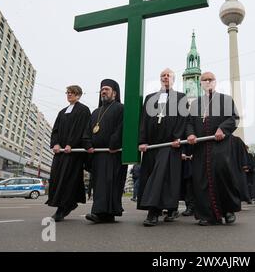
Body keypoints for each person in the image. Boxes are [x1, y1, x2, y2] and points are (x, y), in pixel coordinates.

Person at [186, 71, 241, 226]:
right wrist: (190, 134)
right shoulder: (196, 103)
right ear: (201, 83)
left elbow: (234, 118)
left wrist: (222, 129)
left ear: (215, 82)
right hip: (201, 147)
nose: (208, 81)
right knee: (201, 180)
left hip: (220, 146)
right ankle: (206, 214)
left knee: (222, 176)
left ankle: (228, 211)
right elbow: (189, 122)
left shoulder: (225, 99)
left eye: (210, 79)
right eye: (204, 80)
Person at [137, 69, 188, 227]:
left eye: (168, 75)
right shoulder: (150, 98)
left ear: (173, 79)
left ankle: (153, 212)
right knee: (155, 176)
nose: (165, 77)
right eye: (163, 76)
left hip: (170, 144)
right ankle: (171, 208)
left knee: (162, 176)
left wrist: (177, 137)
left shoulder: (181, 97)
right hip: (152, 145)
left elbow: (183, 119)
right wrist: (142, 141)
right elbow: (144, 121)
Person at [84, 79, 127, 223]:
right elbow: (88, 131)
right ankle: (102, 212)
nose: (103, 91)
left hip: (113, 153)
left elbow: (122, 128)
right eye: (102, 89)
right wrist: (88, 144)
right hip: (97, 154)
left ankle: (105, 212)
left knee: (111, 183)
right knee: (99, 184)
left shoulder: (121, 108)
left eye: (106, 89)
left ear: (114, 93)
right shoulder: (95, 112)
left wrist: (113, 143)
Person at [46, 85, 91, 222]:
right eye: (68, 93)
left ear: (79, 95)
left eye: (72, 93)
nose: (69, 95)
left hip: (73, 152)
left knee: (68, 180)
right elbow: (56, 130)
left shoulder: (83, 110)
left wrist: (71, 144)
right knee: (56, 178)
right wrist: (56, 144)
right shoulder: (62, 112)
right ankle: (68, 204)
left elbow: (82, 129)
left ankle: (62, 208)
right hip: (60, 152)